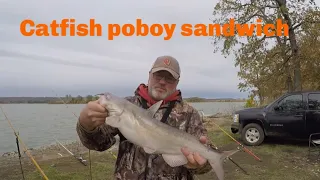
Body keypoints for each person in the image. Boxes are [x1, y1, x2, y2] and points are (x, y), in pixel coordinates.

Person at [76, 55, 213, 179]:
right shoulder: (126, 105)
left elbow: (206, 163)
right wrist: (86, 125)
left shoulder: (190, 114)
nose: (162, 82)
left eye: (169, 78)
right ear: (149, 75)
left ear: (177, 82)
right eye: (158, 75)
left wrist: (199, 165)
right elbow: (99, 144)